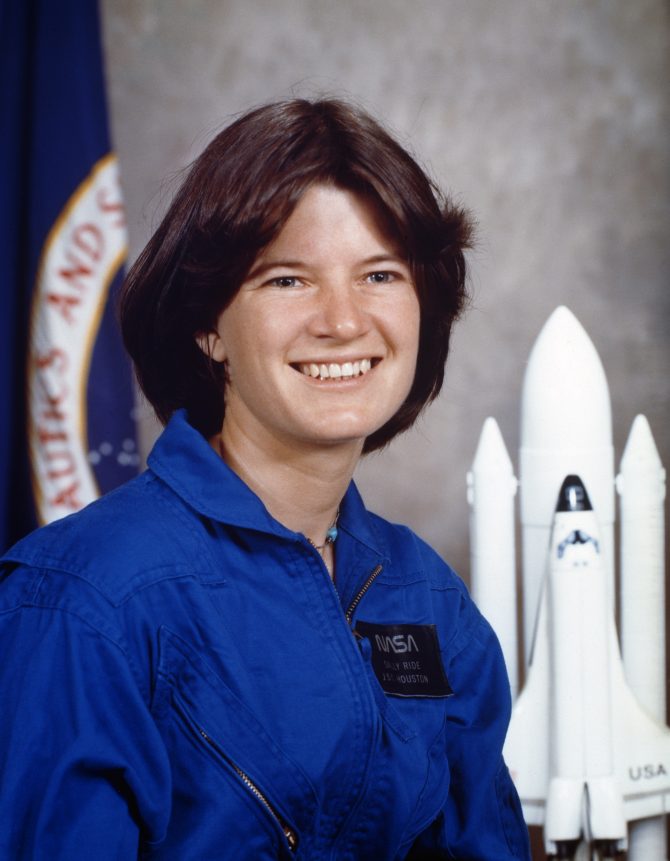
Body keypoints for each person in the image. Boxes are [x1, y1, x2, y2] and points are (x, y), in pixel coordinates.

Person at [0, 99, 530, 860]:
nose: (343, 321)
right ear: (209, 325)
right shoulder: (87, 603)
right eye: (288, 281)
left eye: (379, 274)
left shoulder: (427, 598)